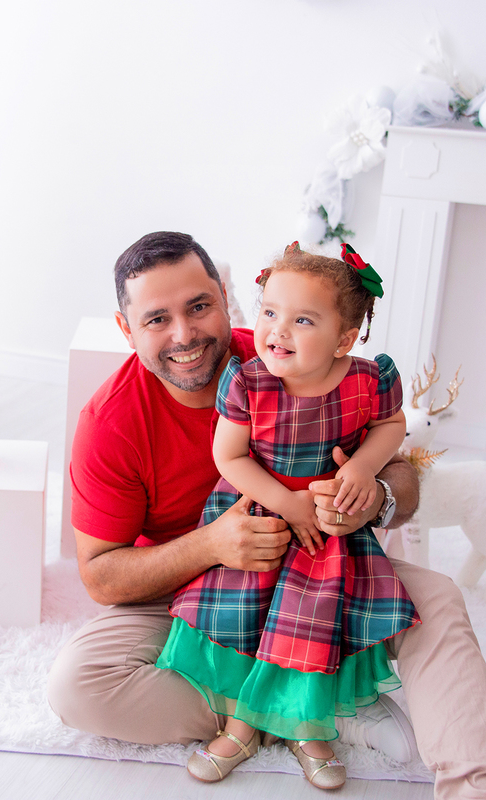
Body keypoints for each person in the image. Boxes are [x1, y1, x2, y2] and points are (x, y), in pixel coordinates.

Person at [47, 231, 486, 799]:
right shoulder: (111, 421)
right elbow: (101, 576)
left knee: (439, 601)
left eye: (199, 307)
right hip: (191, 589)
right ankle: (307, 708)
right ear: (126, 328)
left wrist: (373, 496)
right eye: (157, 319)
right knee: (76, 686)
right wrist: (211, 545)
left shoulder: (291, 347)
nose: (184, 335)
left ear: (225, 297)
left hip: (324, 564)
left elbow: (399, 468)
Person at [155, 241, 419, 789]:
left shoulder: (368, 381)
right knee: (245, 622)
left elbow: (392, 427)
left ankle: (307, 730)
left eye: (303, 320)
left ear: (344, 339)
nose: (278, 330)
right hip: (262, 519)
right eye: (270, 312)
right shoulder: (249, 382)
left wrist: (363, 467)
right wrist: (288, 503)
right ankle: (240, 729)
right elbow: (229, 457)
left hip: (328, 531)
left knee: (312, 626)